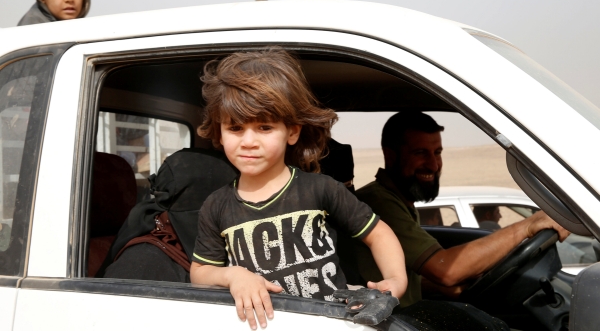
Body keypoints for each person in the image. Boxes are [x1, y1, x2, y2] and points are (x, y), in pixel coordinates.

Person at [189, 48, 408, 330]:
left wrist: (395, 279)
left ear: (292, 131)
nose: (249, 141)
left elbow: (378, 234)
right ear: (219, 131)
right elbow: (200, 272)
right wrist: (234, 276)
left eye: (265, 127)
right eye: (235, 128)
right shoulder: (216, 206)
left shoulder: (320, 189)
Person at [355, 111, 569, 309]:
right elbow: (446, 270)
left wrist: (435, 287)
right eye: (420, 153)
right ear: (390, 155)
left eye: (437, 152)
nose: (433, 164)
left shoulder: (398, 201)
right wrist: (528, 226)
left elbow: (407, 274)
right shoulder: (379, 203)